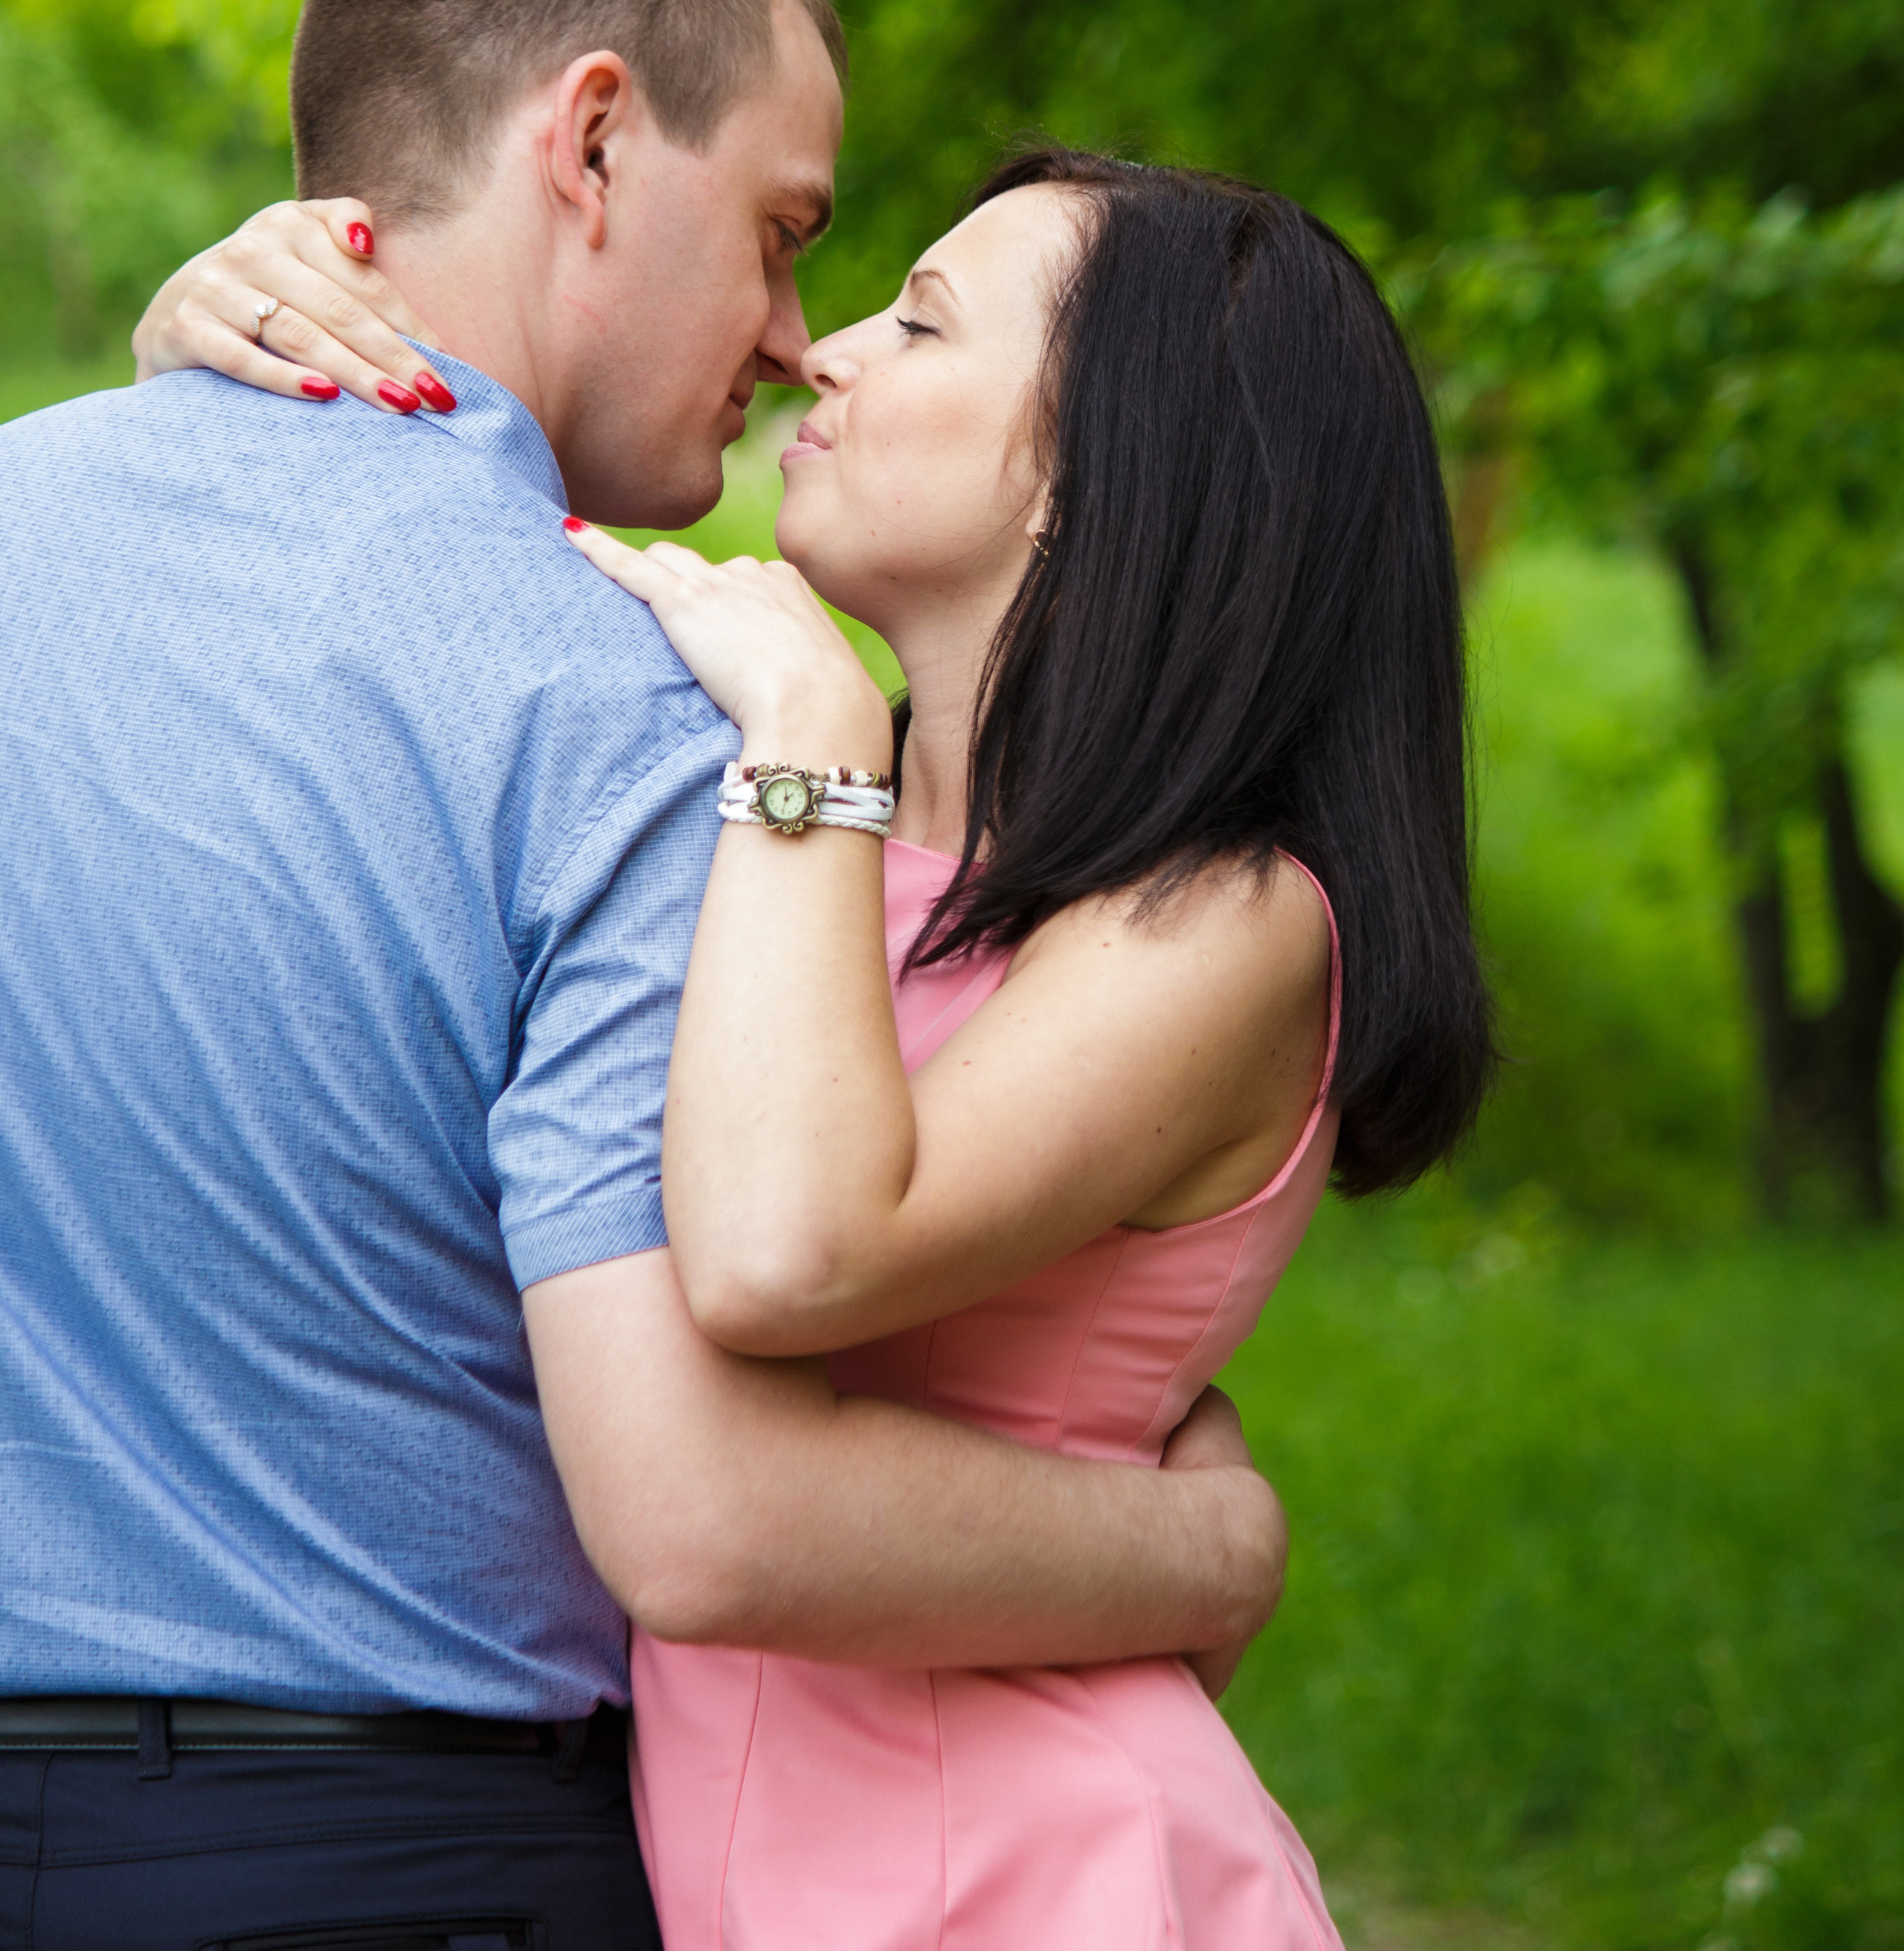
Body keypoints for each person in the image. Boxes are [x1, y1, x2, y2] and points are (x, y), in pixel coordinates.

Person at [0, 0, 1287, 1951]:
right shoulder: (635, 712)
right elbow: (700, 1506)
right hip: (406, 1862)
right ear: (591, 143)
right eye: (787, 232)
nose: (800, 339)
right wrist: (1206, 1555)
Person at [154, 126, 1496, 1944]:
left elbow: (791, 1252)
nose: (825, 350)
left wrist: (804, 730)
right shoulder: (750, 801)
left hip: (1043, 1875)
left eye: (924, 325)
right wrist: (222, 339)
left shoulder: (1223, 919)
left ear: (1118, 469)